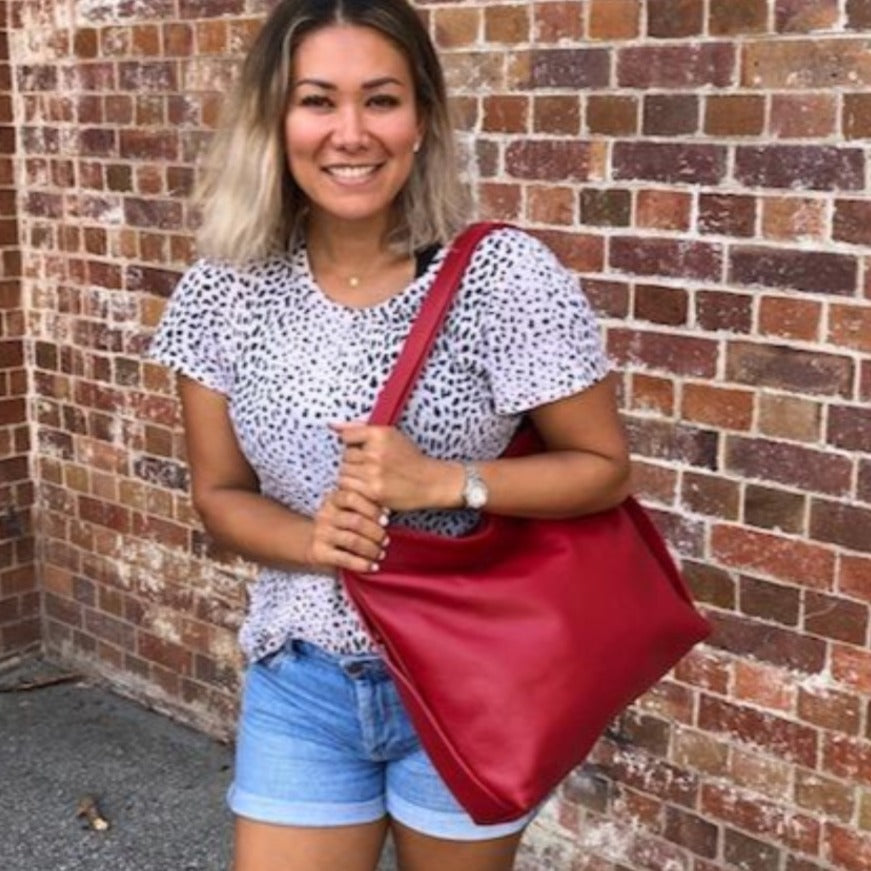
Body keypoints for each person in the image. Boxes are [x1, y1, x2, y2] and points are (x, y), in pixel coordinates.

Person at [149, 1, 631, 869]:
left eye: (379, 99)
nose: (349, 133)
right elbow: (218, 494)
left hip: (468, 678)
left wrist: (447, 481)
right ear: (274, 119)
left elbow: (601, 471)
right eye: (316, 101)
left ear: (423, 119)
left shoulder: (501, 276)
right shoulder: (224, 288)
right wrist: (311, 537)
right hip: (301, 678)